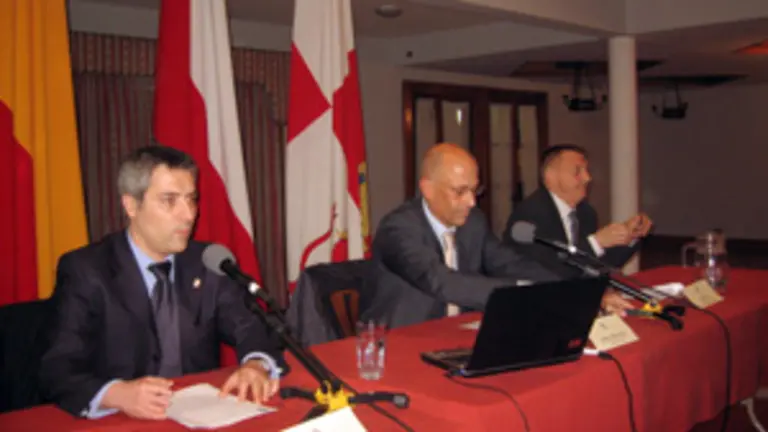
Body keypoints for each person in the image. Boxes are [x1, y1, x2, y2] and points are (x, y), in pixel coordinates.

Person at [39, 145, 282, 420]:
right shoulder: (87, 270)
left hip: (202, 417)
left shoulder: (207, 262)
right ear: (131, 205)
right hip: (122, 422)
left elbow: (251, 326)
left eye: (191, 199)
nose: (189, 214)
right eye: (169, 200)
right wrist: (116, 394)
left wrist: (255, 364)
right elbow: (56, 368)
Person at [360, 143, 558, 329]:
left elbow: (507, 262)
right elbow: (440, 281)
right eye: (460, 191)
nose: (471, 201)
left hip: (459, 333)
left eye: (474, 190)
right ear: (427, 189)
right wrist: (520, 292)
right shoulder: (398, 229)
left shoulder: (473, 222)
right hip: (400, 340)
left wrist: (564, 288)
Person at [502, 144, 653, 315]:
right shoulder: (530, 214)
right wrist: (597, 242)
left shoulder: (585, 213)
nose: (587, 178)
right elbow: (550, 271)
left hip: (577, 304)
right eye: (577, 171)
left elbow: (598, 265)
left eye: (586, 171)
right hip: (538, 307)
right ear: (551, 176)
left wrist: (630, 236)